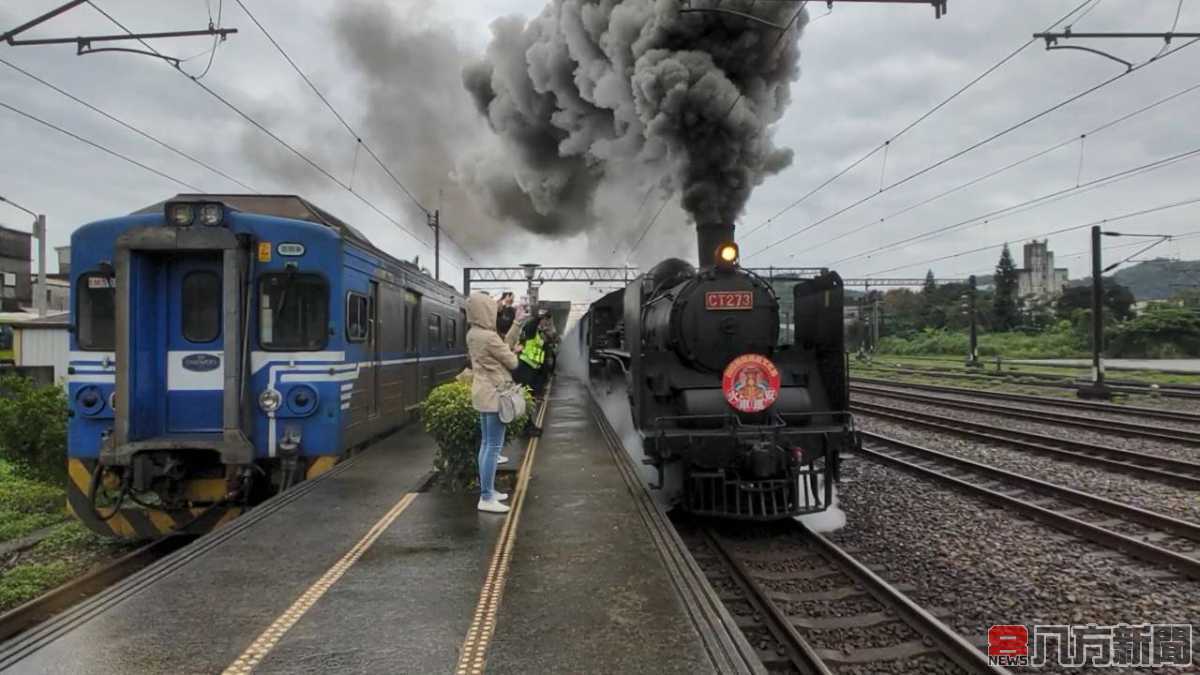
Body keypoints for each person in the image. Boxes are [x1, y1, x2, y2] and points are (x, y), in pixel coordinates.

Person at [466, 292, 520, 514]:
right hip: (494, 395)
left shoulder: (473, 334)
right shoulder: (489, 337)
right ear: (484, 311)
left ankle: (488, 491)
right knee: (493, 447)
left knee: (487, 445)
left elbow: (498, 349)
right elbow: (513, 361)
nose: (494, 312)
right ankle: (486, 497)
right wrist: (514, 349)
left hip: (482, 393)